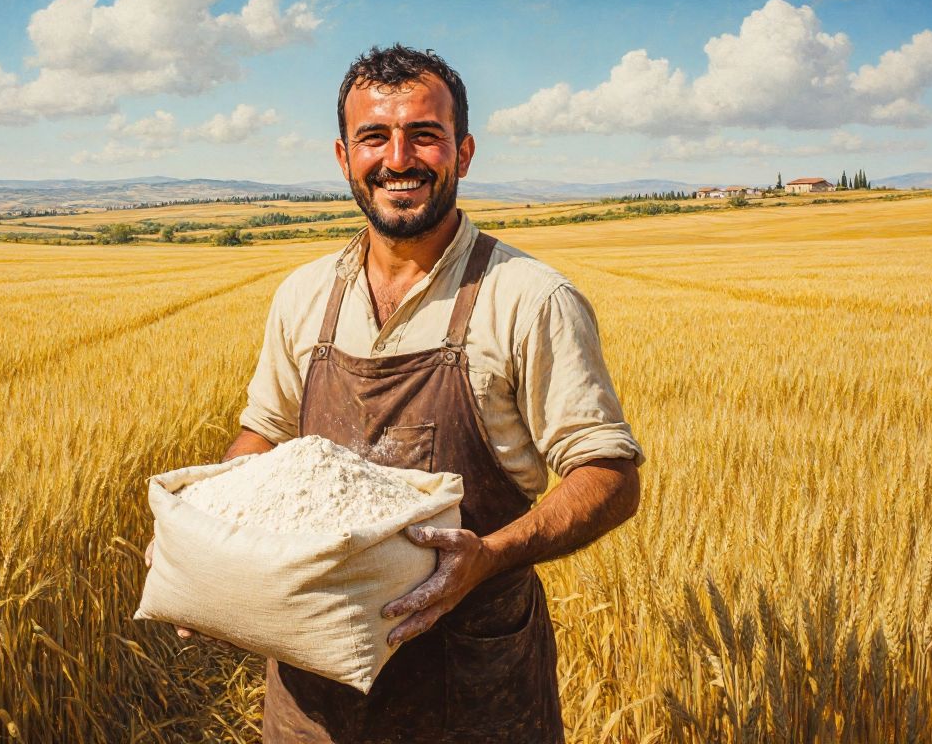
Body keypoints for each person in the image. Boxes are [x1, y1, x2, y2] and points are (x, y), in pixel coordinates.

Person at [220, 44, 643, 742]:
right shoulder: (304, 297)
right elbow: (261, 434)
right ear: (342, 155)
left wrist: (490, 556)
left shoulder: (529, 299)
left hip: (472, 697)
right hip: (312, 700)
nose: (398, 158)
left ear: (464, 152)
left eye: (424, 134)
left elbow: (610, 477)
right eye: (374, 137)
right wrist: (208, 532)